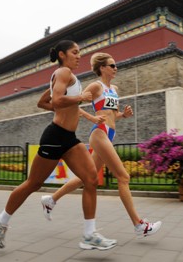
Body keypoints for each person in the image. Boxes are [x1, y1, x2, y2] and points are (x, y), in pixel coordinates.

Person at [0, 40, 116, 251]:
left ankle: (89, 234)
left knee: (91, 179)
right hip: (55, 137)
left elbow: (45, 102)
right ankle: (0, 222)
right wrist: (79, 98)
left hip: (69, 139)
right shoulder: (64, 72)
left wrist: (79, 109)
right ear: (62, 54)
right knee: (33, 184)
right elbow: (57, 99)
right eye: (75, 52)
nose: (79, 56)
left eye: (79, 52)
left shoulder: (65, 75)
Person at [38, 52, 162, 238]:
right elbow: (74, 105)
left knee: (85, 178)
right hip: (100, 133)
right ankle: (139, 225)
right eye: (112, 65)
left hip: (110, 134)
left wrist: (124, 115)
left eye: (115, 65)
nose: (115, 68)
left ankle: (51, 200)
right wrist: (92, 117)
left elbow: (114, 114)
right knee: (123, 177)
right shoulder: (96, 86)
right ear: (102, 68)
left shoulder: (115, 89)